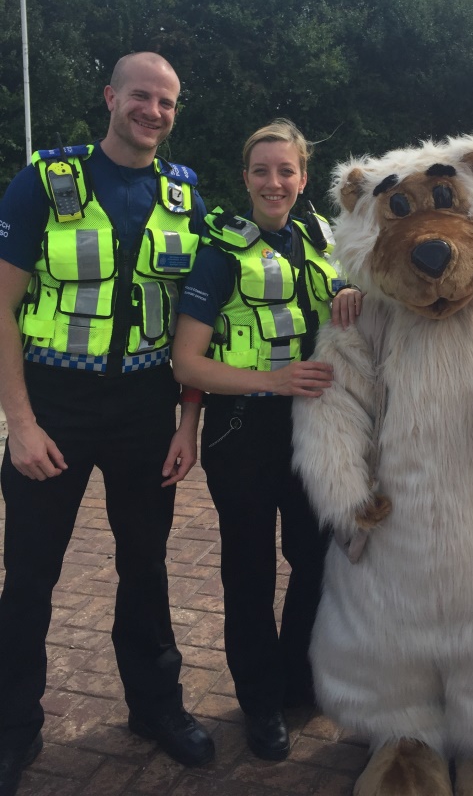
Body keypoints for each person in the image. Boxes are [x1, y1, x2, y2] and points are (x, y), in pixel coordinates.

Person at [0, 52, 214, 796]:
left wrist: (187, 423)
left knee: (146, 569)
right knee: (30, 577)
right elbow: (1, 306)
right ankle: (12, 728)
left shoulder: (185, 195)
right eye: (141, 96)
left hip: (146, 408)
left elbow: (196, 321)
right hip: (54, 404)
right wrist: (18, 423)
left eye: (167, 102)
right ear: (111, 97)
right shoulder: (46, 182)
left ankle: (155, 709)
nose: (153, 111)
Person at [171, 118, 360, 762]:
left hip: (314, 427)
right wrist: (273, 381)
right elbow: (187, 363)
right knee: (249, 570)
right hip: (242, 430)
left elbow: (352, 295)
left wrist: (352, 291)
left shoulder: (321, 238)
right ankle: (259, 701)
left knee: (315, 560)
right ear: (245, 177)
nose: (274, 182)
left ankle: (293, 679)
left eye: (286, 171)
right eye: (261, 170)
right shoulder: (219, 251)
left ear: (304, 178)